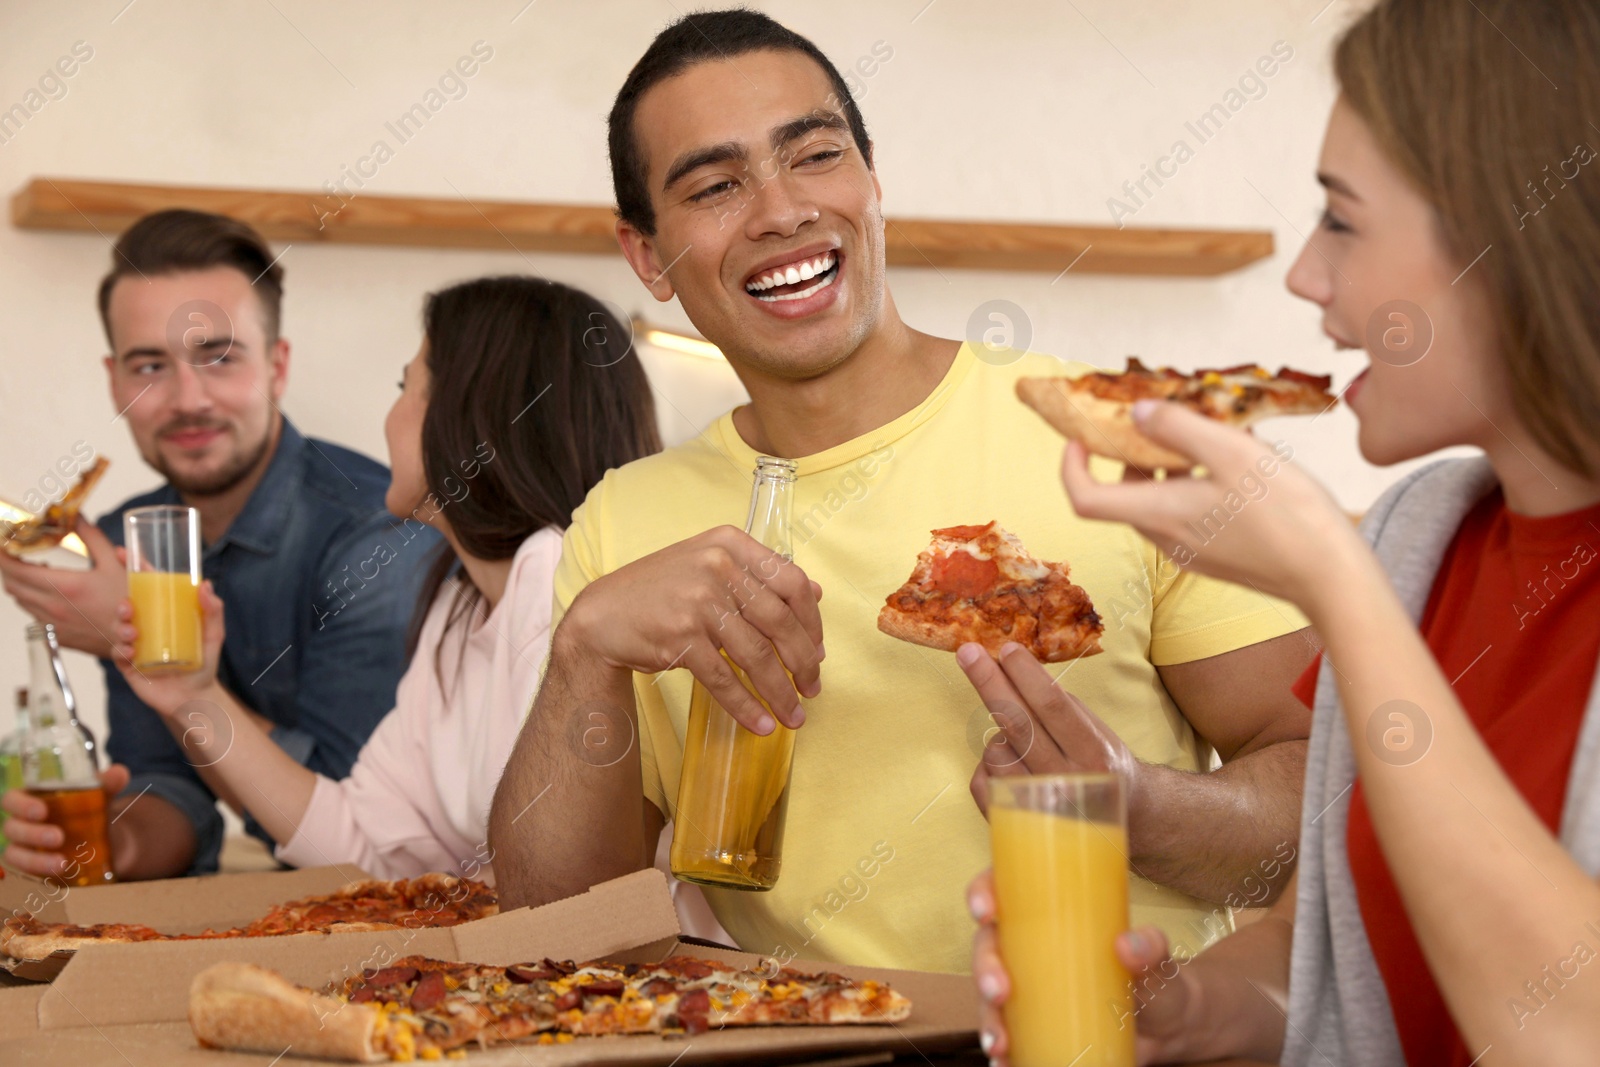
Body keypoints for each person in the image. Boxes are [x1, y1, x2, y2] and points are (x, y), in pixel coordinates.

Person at [489, 9, 1318, 974]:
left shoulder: (1110, 441)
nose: (780, 211)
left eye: (814, 155)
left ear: (873, 180)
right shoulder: (622, 525)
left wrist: (1139, 803)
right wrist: (585, 646)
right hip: (809, 1044)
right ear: (646, 256)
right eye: (716, 186)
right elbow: (553, 932)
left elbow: (1327, 801)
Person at [969, 0, 1600, 1062]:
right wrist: (1185, 1011)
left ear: (1520, 242)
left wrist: (1332, 586)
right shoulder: (1420, 537)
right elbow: (1318, 957)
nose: (1306, 275)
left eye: (1342, 221)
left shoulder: (1366, 575)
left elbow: (1565, 1028)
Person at [91, 275, 662, 886]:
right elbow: (366, 842)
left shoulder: (554, 582)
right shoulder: (457, 606)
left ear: (471, 414)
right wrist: (191, 695)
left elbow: (566, 897)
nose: (390, 416)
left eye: (406, 388)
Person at [0, 210, 436, 878]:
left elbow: (358, 832)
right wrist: (98, 843)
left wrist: (156, 646)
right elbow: (169, 788)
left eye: (219, 357)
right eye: (150, 364)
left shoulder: (375, 533)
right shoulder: (124, 541)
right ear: (115, 380)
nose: (187, 398)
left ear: (277, 366)